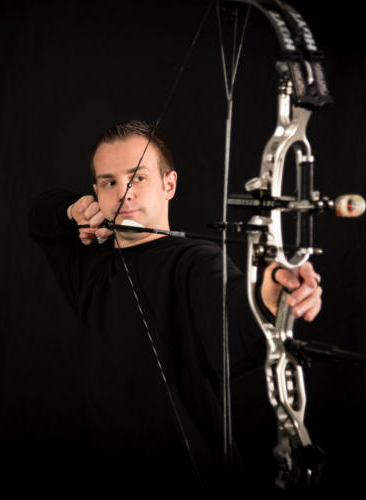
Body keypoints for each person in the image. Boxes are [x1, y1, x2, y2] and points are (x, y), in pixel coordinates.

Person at [28, 120, 322, 493]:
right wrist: (75, 210)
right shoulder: (89, 261)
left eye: (137, 178)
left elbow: (236, 322)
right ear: (96, 192)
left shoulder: (196, 261)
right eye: (109, 182)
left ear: (169, 185)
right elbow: (40, 214)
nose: (123, 194)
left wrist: (268, 299)